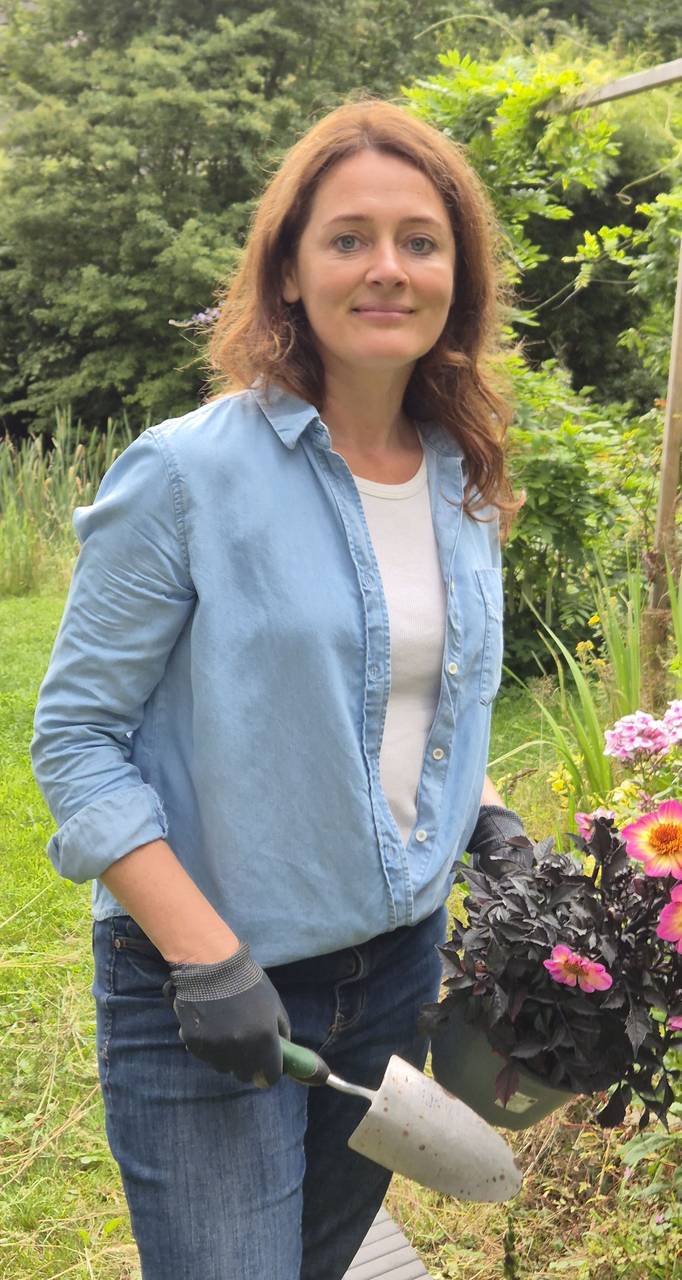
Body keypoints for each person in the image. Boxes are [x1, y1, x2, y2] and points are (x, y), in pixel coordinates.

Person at [31, 96, 527, 1280]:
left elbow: (415, 703)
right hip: (207, 986)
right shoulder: (186, 472)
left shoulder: (458, 475)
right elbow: (77, 736)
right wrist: (207, 959)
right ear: (290, 273)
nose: (387, 267)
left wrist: (488, 818)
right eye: (348, 237)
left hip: (396, 974)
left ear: (456, 277)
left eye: (420, 240)